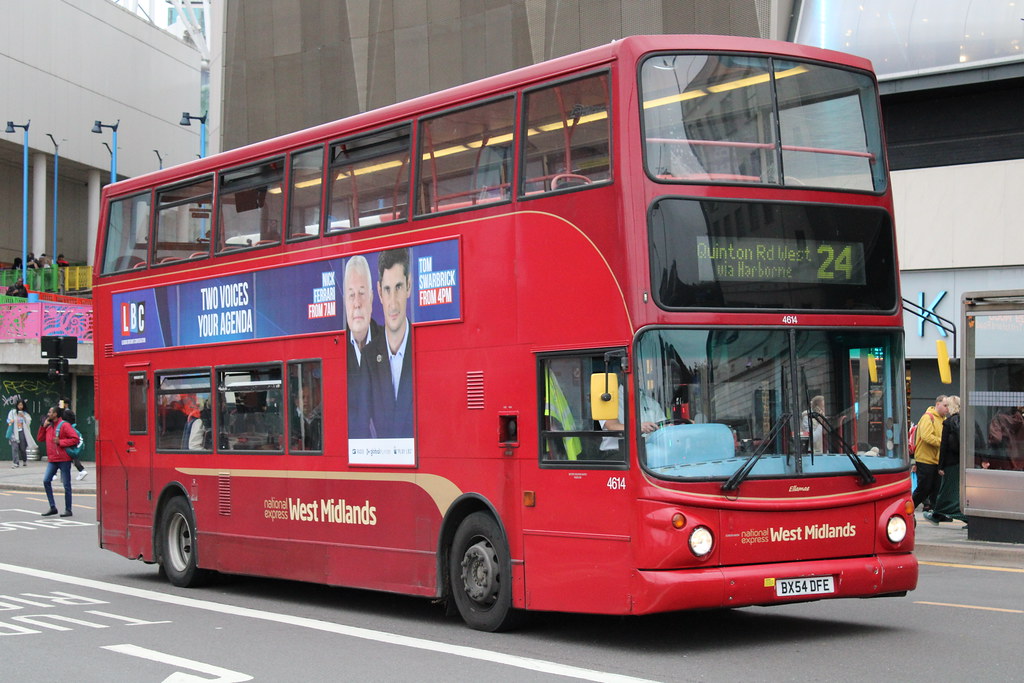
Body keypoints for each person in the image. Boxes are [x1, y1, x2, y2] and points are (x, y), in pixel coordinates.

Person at [344, 254, 389, 439]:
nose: (357, 303)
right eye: (351, 295)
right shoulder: (336, 350)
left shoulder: (389, 342)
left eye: (362, 293)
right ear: (345, 301)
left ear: (371, 297)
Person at [372, 248, 414, 438]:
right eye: (387, 290)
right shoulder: (368, 356)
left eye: (398, 287)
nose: (393, 303)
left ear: (409, 286)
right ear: (379, 292)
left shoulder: (424, 348)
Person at [927, 395, 966, 525]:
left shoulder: (948, 422)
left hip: (950, 462)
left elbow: (944, 446)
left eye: (947, 405)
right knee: (954, 491)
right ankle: (937, 514)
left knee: (946, 490)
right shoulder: (965, 420)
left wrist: (940, 466)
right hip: (962, 461)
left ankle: (965, 517)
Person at [37, 405, 78, 517]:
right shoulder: (49, 426)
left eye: (50, 412)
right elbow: (40, 439)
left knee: (66, 485)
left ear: (55, 414)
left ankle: (68, 509)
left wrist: (60, 442)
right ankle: (52, 507)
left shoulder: (64, 425)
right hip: (52, 459)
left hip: (64, 459)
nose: (48, 414)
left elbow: (75, 439)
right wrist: (43, 426)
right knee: (46, 480)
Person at [912, 395, 948, 512]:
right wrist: (942, 443)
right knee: (924, 488)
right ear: (937, 404)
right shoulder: (928, 418)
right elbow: (926, 436)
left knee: (936, 488)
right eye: (945, 405)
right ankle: (909, 508)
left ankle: (936, 512)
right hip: (925, 459)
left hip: (936, 460)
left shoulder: (944, 420)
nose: (947, 408)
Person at [58, 398, 87, 480]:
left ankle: (80, 469)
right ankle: (80, 469)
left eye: (61, 404)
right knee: (69, 454)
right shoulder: (68, 412)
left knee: (68, 452)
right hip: (69, 431)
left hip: (67, 432)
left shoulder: (66, 413)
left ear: (66, 404)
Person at [7, 399, 36, 468]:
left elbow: (29, 422)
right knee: (15, 447)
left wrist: (24, 417)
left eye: (21, 405)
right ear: (16, 405)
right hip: (14, 431)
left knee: (23, 448)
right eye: (19, 405)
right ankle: (15, 463)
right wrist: (11, 421)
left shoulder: (25, 413)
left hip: (22, 431)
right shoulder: (12, 412)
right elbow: (8, 420)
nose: (20, 406)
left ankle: (24, 460)